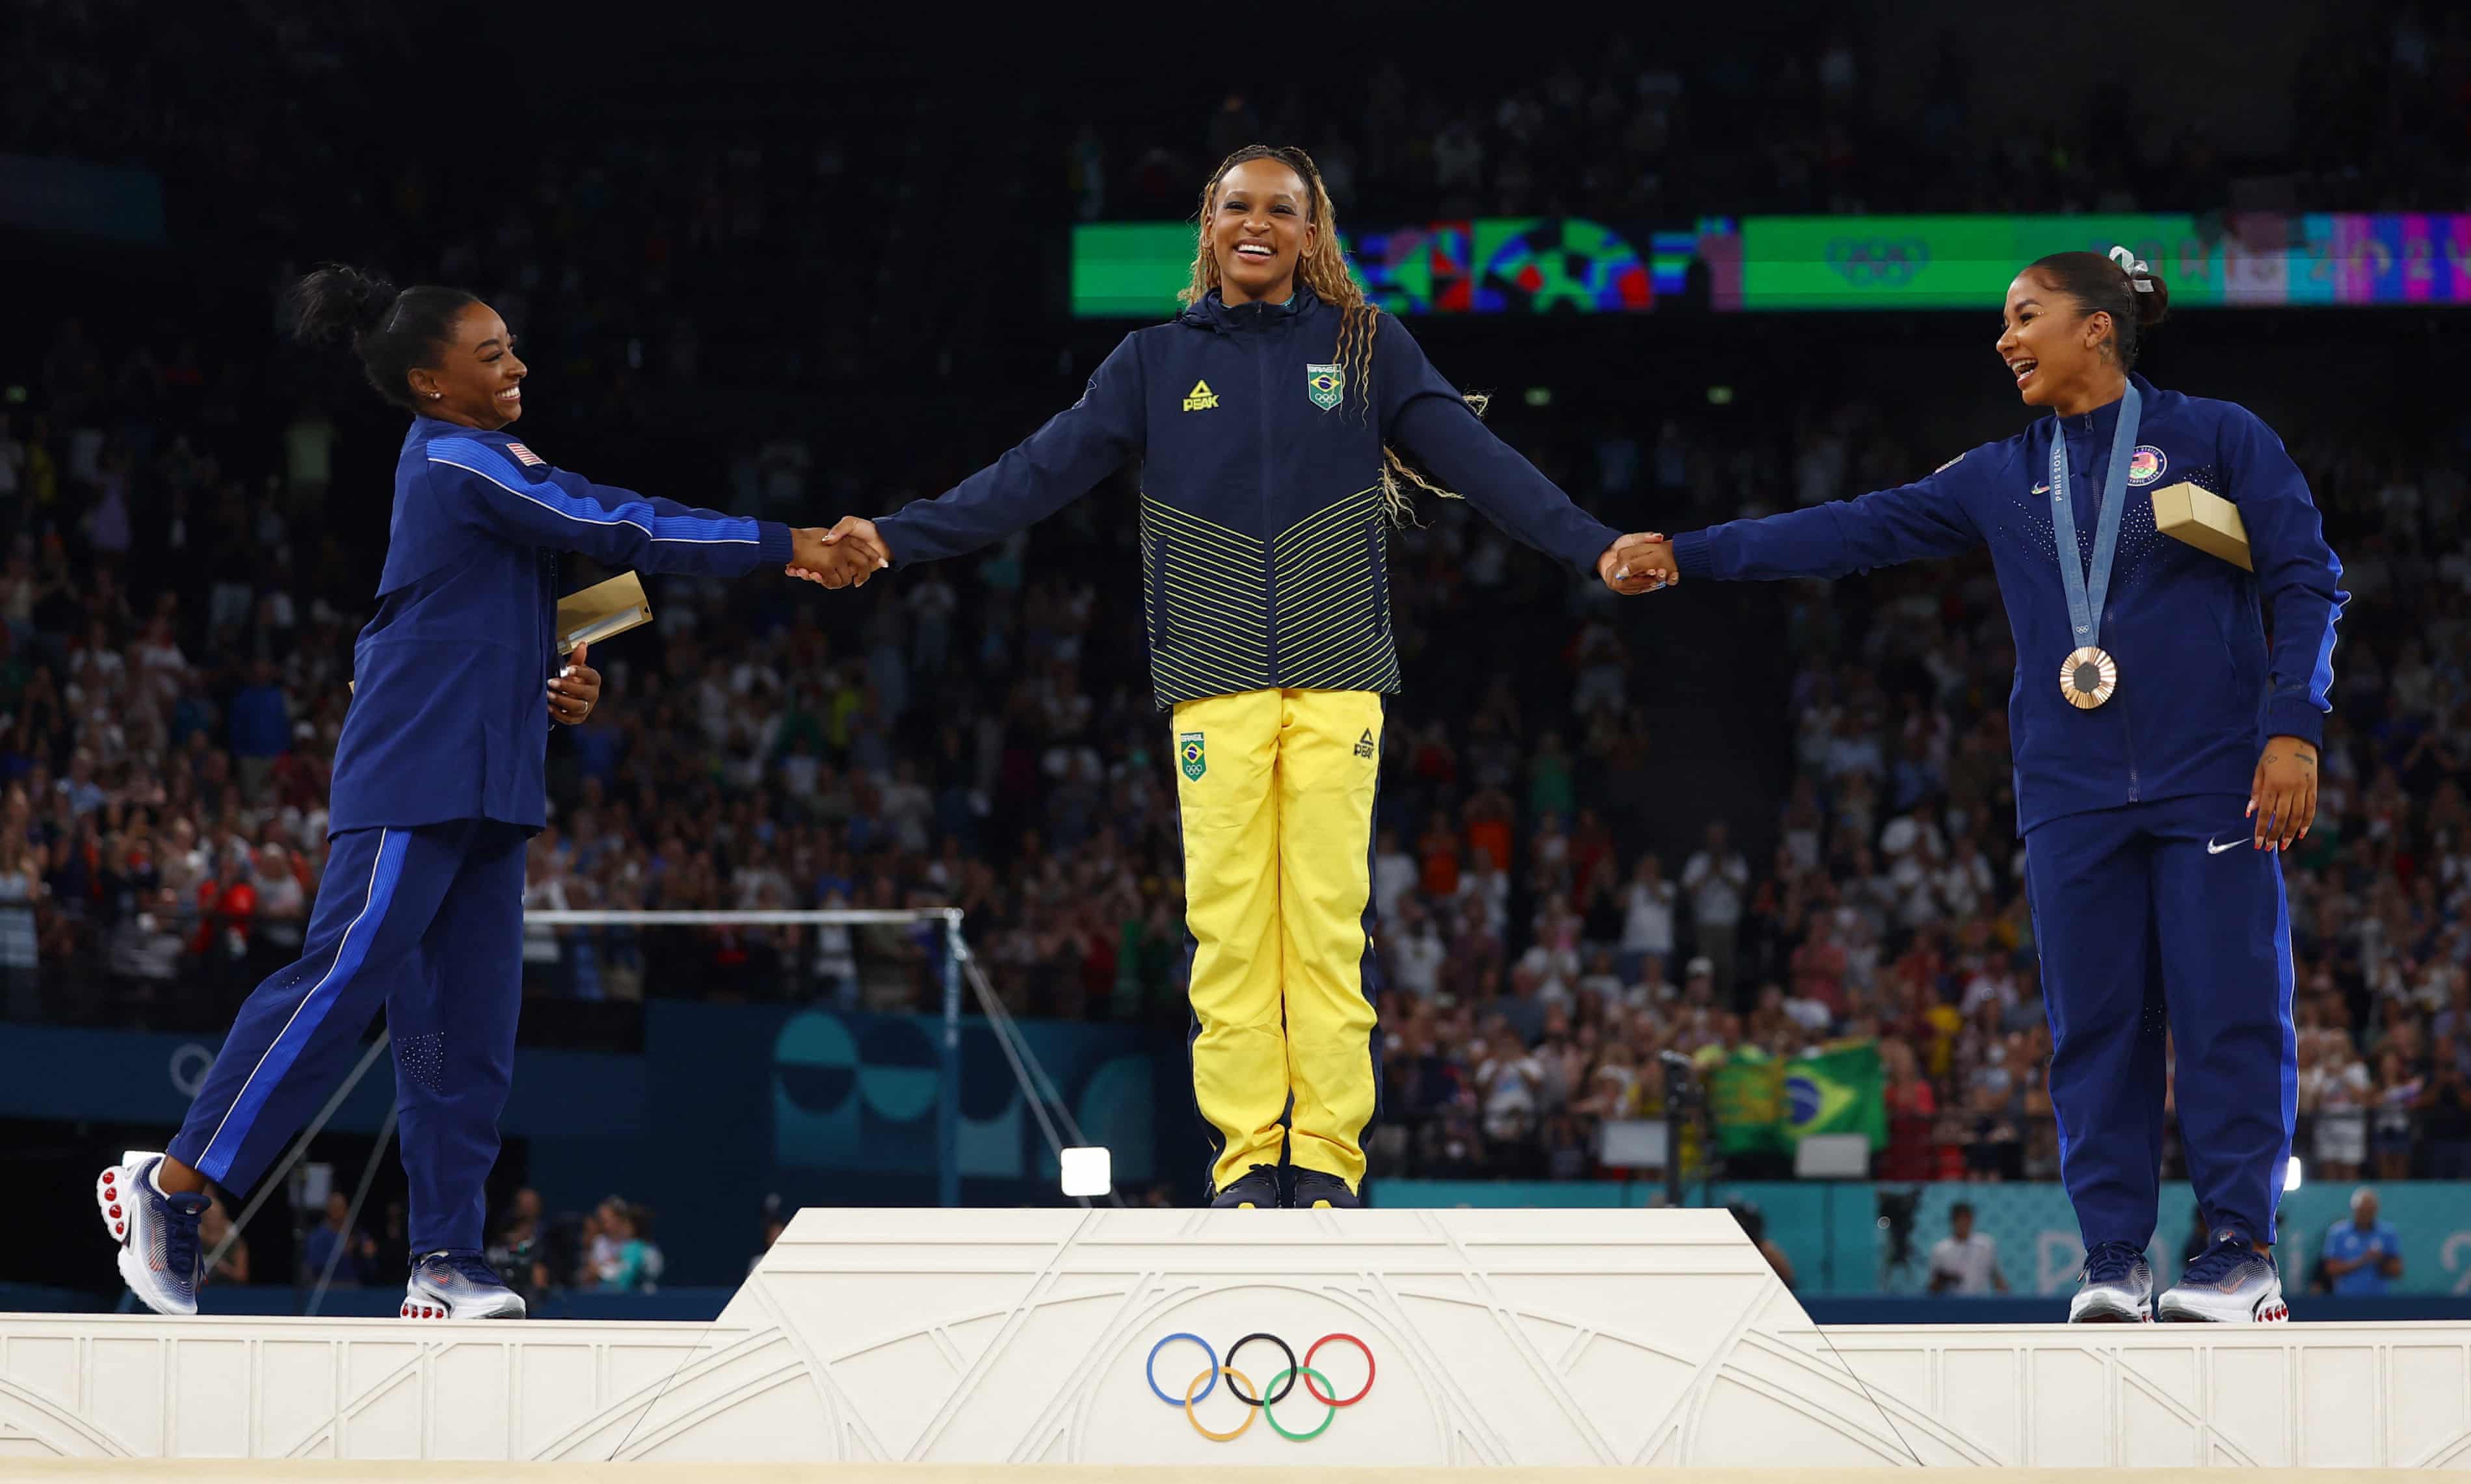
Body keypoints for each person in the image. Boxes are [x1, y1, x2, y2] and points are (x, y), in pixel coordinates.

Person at [794, 144, 1663, 1209]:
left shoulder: (1368, 346)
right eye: (1238, 207)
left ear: (1312, 231)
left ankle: (1330, 1162)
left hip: (1340, 671)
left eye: (1281, 211)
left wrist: (1591, 543)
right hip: (1212, 677)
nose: (1259, 224)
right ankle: (1253, 1157)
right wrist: (896, 535)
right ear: (1208, 223)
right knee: (1233, 928)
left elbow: (1481, 463)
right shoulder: (1151, 364)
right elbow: (1031, 475)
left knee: (1328, 922)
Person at [96, 265, 848, 1320]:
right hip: (416, 770)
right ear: (431, 381)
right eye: (490, 352)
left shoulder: (479, 474)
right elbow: (615, 524)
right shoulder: (458, 457)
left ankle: (446, 1257)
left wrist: (568, 664)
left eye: (512, 346)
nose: (517, 364)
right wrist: (791, 547)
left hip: (494, 782)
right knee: (340, 982)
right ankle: (170, 1186)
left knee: (458, 1037)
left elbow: (563, 583)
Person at [1628, 248, 2345, 1324]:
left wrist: (2293, 729)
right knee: (2093, 1026)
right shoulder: (2003, 475)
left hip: (2216, 781)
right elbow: (1851, 530)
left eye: (2025, 317)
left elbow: (2307, 574)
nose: (2005, 339)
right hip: (2071, 788)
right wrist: (1693, 552)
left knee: (2228, 1014)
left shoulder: (2219, 435)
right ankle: (2114, 1260)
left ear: (2095, 328)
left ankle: (2239, 1254)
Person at [2321, 1186, 2403, 1297]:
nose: (2365, 1215)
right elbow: (2330, 1269)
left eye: (2369, 1210)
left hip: (2379, 1299)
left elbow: (2397, 1271)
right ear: (2354, 1209)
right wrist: (2363, 1260)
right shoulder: (2338, 1233)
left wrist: (2381, 1260)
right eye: (2362, 1210)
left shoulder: (2388, 1233)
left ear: (2376, 1210)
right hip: (2346, 1299)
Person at [1927, 1202, 2008, 1295]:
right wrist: (1943, 1280)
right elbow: (1932, 1288)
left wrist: (2007, 1298)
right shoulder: (1940, 1250)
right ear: (1953, 1221)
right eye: (1960, 1219)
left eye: (1968, 1219)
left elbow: (1996, 1277)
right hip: (1953, 1304)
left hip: (1980, 1302)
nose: (1964, 1223)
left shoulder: (1986, 1245)